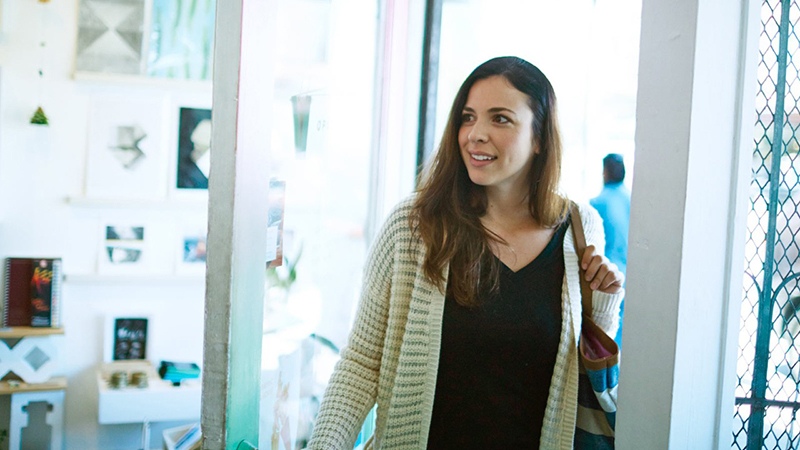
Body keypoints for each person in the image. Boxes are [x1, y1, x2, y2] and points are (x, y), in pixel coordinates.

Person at [307, 56, 624, 450]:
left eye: (500, 119)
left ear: (539, 138)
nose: (475, 134)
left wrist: (602, 303)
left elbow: (577, 373)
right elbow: (361, 364)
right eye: (467, 118)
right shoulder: (414, 225)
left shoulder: (580, 226)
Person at [590, 153, 631, 345]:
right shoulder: (632, 200)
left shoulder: (597, 203)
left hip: (606, 278)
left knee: (607, 336)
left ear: (604, 172)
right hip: (630, 274)